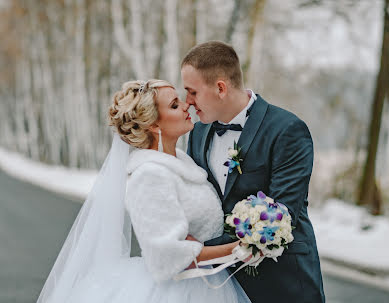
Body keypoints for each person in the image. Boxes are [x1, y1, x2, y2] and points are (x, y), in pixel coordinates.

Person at [37, 79, 251, 302]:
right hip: (177, 292)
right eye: (175, 105)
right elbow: (167, 257)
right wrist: (239, 249)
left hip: (209, 283)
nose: (187, 105)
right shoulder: (149, 175)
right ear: (154, 125)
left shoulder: (184, 162)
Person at [183, 41, 326, 302]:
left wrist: (197, 251)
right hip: (218, 288)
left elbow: (282, 215)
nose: (188, 102)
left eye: (192, 92)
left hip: (282, 283)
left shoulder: (287, 130)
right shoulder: (198, 132)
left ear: (220, 88)